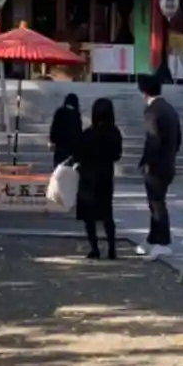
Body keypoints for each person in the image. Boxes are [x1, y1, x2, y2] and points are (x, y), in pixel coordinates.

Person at [136, 75, 182, 260]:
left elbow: (152, 139)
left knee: (156, 203)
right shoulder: (169, 109)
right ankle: (153, 239)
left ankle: (162, 242)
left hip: (156, 166)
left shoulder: (152, 111)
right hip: (168, 162)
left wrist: (147, 162)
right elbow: (178, 138)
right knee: (155, 202)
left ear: (144, 92)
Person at [75, 97, 123, 260]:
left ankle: (94, 248)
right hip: (105, 176)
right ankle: (111, 248)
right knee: (107, 214)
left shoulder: (88, 133)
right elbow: (117, 155)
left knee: (89, 217)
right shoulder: (114, 133)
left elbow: (78, 154)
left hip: (88, 177)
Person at [50, 92, 84, 167]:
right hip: (72, 151)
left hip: (60, 149)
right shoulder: (76, 115)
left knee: (59, 170)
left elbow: (54, 129)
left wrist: (53, 141)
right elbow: (78, 133)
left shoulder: (59, 112)